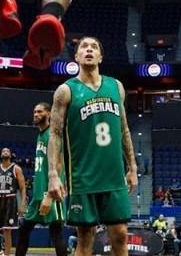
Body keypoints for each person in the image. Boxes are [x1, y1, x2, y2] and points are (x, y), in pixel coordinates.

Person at [47, 36, 137, 256]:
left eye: (94, 47)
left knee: (121, 234)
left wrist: (133, 167)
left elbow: (124, 129)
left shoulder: (116, 86)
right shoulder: (66, 90)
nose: (89, 50)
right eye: (83, 47)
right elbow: (55, 134)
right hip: (83, 176)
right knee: (85, 238)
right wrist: (53, 174)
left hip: (114, 175)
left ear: (100, 57)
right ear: (76, 56)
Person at [15, 103, 68, 256]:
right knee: (24, 230)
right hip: (37, 195)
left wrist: (49, 195)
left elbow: (59, 164)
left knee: (56, 234)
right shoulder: (40, 135)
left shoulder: (53, 135)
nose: (36, 114)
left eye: (40, 111)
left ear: (49, 114)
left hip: (52, 193)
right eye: (34, 112)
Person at [0, 148, 25, 256]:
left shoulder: (16, 169)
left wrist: (22, 204)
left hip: (10, 200)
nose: (5, 152)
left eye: (7, 151)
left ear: (10, 155)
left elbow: (23, 188)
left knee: (7, 231)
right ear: (1, 155)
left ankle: (7, 254)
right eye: (3, 151)